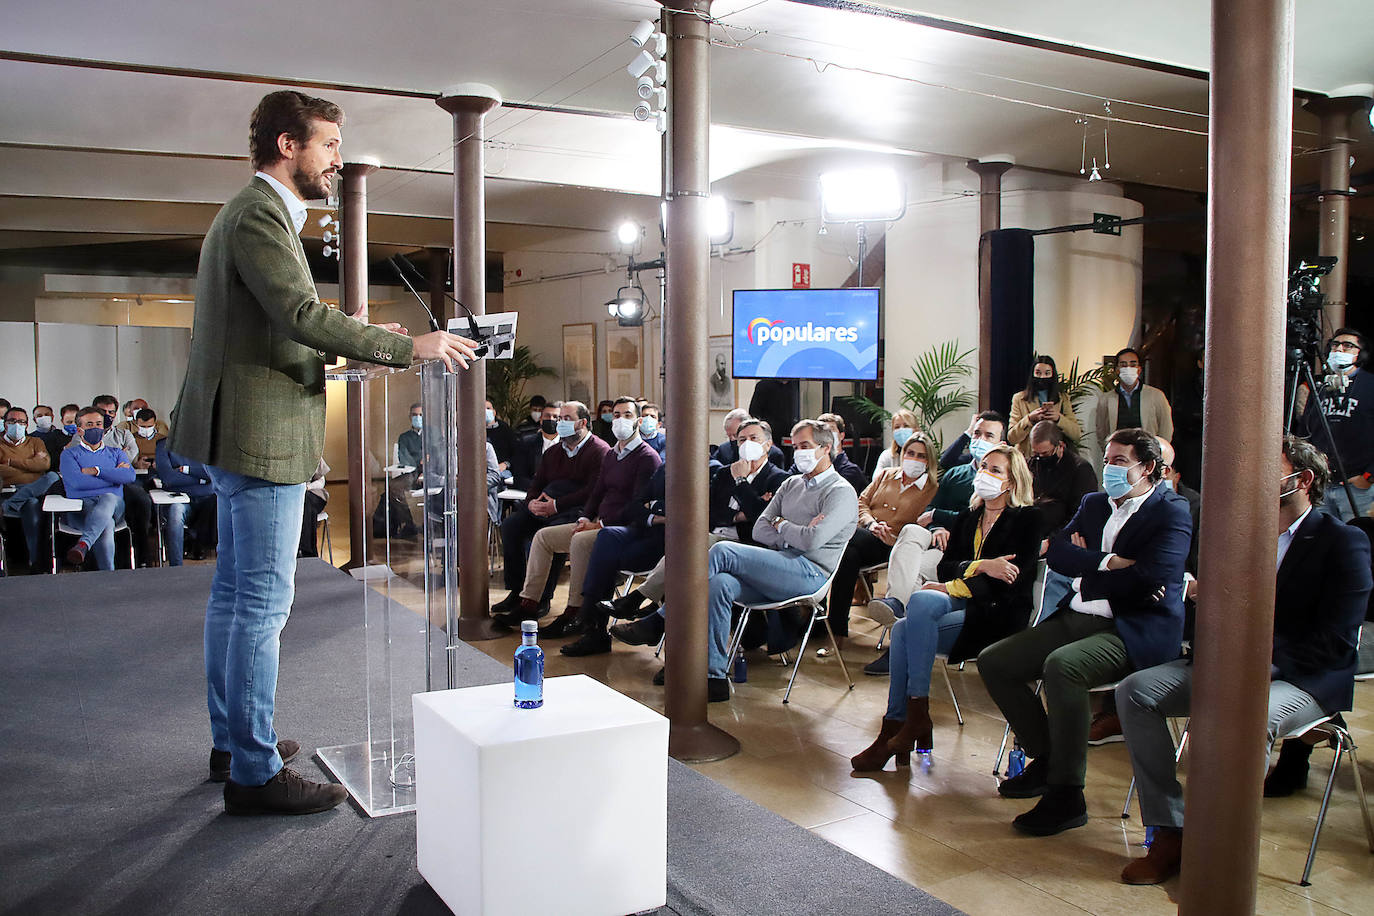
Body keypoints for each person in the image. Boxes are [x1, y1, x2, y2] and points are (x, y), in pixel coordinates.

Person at [168, 89, 477, 816]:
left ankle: (235, 742)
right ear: (287, 145)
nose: (338, 160)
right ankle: (252, 774)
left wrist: (342, 342)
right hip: (258, 437)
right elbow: (300, 316)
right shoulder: (259, 212)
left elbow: (279, 326)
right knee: (260, 607)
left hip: (243, 429)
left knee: (236, 600)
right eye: (330, 145)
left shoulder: (254, 212)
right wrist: (407, 346)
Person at [1114, 436, 1371, 885]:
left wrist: (1255, 662)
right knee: (1135, 691)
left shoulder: (1342, 542)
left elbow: (1336, 641)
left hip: (1301, 675)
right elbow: (1217, 609)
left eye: (1272, 469)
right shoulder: (1240, 535)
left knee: (1249, 714)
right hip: (1229, 662)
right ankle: (1171, 830)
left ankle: (1218, 850)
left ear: (1303, 480)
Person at [978, 428, 1191, 837]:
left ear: (1147, 468)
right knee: (996, 661)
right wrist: (1111, 562)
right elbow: (1058, 553)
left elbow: (1154, 577)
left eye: (1119, 462)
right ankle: (1046, 760)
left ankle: (1067, 793)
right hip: (1078, 615)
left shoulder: (1171, 510)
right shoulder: (1095, 503)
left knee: (1063, 667)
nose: (1108, 468)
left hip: (1132, 627)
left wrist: (1089, 572)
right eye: (1107, 460)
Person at [852, 445, 1041, 768]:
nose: (985, 474)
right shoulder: (969, 517)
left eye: (995, 470)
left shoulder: (1028, 519)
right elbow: (946, 566)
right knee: (910, 618)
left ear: (1011, 482)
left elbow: (1010, 580)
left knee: (909, 620)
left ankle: (908, 723)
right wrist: (980, 566)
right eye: (984, 466)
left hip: (996, 614)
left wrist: (958, 581)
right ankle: (905, 721)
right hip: (963, 599)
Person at [655, 420, 859, 701]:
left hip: (810, 573)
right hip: (779, 563)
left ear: (826, 448)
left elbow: (811, 542)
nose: (799, 452)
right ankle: (713, 677)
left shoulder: (840, 491)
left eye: (806, 446)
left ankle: (661, 618)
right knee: (720, 584)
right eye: (796, 446)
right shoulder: (791, 484)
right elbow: (759, 530)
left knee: (723, 550)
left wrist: (781, 525)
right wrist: (790, 529)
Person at [607, 418, 792, 636]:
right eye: (742, 439)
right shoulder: (725, 473)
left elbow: (762, 517)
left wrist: (742, 485)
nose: (747, 443)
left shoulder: (779, 479)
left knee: (694, 546)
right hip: (713, 537)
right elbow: (710, 513)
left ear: (768, 445)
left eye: (754, 438)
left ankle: (643, 604)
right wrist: (741, 513)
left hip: (748, 546)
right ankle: (657, 621)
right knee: (691, 560)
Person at [501, 397, 661, 647]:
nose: (620, 420)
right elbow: (597, 492)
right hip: (596, 521)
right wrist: (587, 516)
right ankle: (529, 602)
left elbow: (636, 505)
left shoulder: (646, 457)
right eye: (616, 415)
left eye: (627, 415)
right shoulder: (613, 454)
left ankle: (574, 611)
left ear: (639, 421)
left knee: (580, 540)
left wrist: (599, 523)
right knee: (544, 537)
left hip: (621, 528)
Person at [860, 411, 1007, 675]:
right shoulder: (957, 474)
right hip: (938, 544)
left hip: (965, 552)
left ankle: (898, 633)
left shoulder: (1004, 480)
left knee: (914, 573)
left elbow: (977, 519)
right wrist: (938, 525)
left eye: (989, 435)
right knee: (911, 532)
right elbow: (930, 512)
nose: (980, 439)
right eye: (976, 433)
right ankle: (897, 605)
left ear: (1002, 442)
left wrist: (942, 519)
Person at [491, 400, 610, 617]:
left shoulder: (599, 451)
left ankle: (543, 598)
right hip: (547, 505)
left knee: (551, 532)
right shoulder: (554, 452)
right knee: (511, 526)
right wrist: (531, 502)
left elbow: (592, 491)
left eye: (566, 419)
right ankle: (517, 592)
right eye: (558, 419)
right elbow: (537, 483)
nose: (559, 423)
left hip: (577, 510)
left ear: (582, 423)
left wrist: (556, 506)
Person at [824, 432, 939, 651]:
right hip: (865, 536)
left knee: (843, 543)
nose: (914, 459)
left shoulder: (932, 489)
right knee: (848, 556)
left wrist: (892, 538)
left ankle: (834, 629)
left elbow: (922, 528)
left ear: (929, 461)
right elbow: (861, 502)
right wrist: (871, 523)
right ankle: (837, 630)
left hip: (895, 547)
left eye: (921, 456)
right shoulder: (887, 475)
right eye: (910, 453)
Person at [1299, 327, 1374, 521]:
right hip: (1322, 485)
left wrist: (1368, 476)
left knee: (1360, 541)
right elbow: (1306, 431)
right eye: (1335, 345)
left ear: (1361, 353)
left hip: (1357, 487)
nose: (1339, 350)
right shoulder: (1321, 387)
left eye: (1348, 346)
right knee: (1324, 544)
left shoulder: (1370, 385)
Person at [60, 406, 135, 570]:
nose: (95, 428)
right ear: (79, 430)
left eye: (99, 424)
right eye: (89, 424)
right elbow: (77, 483)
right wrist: (114, 477)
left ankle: (84, 543)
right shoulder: (69, 454)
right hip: (81, 510)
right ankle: (108, 575)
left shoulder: (116, 453)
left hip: (115, 507)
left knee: (108, 498)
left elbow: (129, 477)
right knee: (106, 522)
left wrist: (96, 471)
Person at [91, 394, 154, 567]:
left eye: (111, 412)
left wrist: (104, 463)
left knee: (142, 499)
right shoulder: (83, 433)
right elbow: (84, 462)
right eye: (103, 411)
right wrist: (117, 456)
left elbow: (128, 458)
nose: (107, 415)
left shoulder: (124, 434)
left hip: (121, 483)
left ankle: (142, 556)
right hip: (93, 485)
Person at [1, 406, 60, 572]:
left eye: (21, 422)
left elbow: (44, 465)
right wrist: (31, 466)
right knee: (32, 503)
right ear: (5, 424)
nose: (17, 424)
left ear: (27, 425)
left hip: (36, 489)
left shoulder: (36, 442)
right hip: (11, 490)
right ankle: (35, 563)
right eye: (12, 421)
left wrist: (11, 463)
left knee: (53, 476)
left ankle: (12, 504)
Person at [1093, 348, 1174, 453]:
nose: (1128, 368)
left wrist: (1159, 453)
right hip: (1118, 454)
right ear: (1117, 370)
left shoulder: (1156, 395)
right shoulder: (1106, 399)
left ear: (1139, 369)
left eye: (1132, 365)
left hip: (1147, 453)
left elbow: (1166, 429)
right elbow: (1101, 432)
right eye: (1123, 365)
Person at [154, 436, 217, 564]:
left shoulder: (208, 442)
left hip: (208, 499)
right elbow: (169, 478)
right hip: (180, 498)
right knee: (175, 513)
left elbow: (213, 473)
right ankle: (176, 567)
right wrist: (201, 479)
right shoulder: (163, 445)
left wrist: (186, 470)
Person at [1007, 356, 1082, 457]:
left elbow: (1076, 434)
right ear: (1032, 374)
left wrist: (1059, 419)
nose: (1042, 377)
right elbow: (1012, 438)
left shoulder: (1063, 399)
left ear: (1052, 375)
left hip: (1056, 458)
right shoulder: (1019, 399)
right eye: (1038, 373)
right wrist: (1029, 419)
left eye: (1047, 373)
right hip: (1028, 458)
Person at [796, 413, 866, 493]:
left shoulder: (850, 471)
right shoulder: (804, 463)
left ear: (841, 435)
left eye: (831, 429)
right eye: (823, 431)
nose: (828, 435)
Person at [509, 400, 562, 490]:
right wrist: (540, 489)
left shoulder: (570, 444)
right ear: (541, 420)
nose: (551, 419)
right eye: (547, 416)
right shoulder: (526, 443)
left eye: (556, 417)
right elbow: (519, 478)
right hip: (533, 495)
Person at [712, 408, 785, 469]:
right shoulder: (724, 450)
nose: (732, 439)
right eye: (729, 436)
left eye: (735, 435)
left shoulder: (774, 454)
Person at [871, 409, 921, 481]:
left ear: (916, 430)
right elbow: (876, 479)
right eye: (897, 427)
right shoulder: (887, 455)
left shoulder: (924, 454)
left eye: (906, 426)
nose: (901, 430)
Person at [298, 459, 329, 558]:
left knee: (305, 501)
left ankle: (307, 552)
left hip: (312, 492)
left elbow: (321, 480)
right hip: (290, 496)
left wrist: (308, 487)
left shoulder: (312, 451)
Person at [484, 397, 517, 469]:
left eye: (488, 408)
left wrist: (506, 464)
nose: (485, 411)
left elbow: (516, 453)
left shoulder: (505, 429)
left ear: (494, 412)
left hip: (503, 470)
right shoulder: (475, 431)